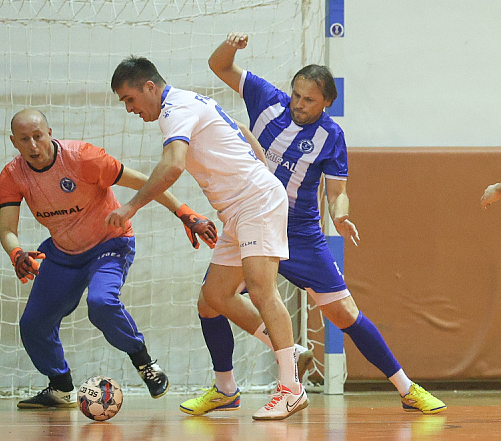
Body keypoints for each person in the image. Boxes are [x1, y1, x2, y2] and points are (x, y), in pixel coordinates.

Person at [187, 32, 446, 415]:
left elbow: (338, 190)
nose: (299, 104)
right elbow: (219, 66)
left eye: (309, 100)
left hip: (300, 234)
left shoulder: (331, 136)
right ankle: (228, 387)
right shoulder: (265, 99)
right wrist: (232, 45)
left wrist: (340, 214)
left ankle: (407, 389)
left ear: (326, 103)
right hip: (253, 220)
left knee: (345, 315)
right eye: (296, 95)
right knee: (210, 302)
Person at [106, 57, 306, 420]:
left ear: (149, 87)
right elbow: (241, 130)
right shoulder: (189, 101)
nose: (130, 108)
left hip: (254, 203)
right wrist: (259, 172)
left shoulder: (174, 109)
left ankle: (291, 388)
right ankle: (236, 384)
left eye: (129, 99)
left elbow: (173, 165)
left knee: (262, 290)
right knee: (213, 298)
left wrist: (131, 207)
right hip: (240, 209)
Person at [0, 108, 216, 408]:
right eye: (25, 139)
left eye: (38, 136)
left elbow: (143, 182)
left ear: (50, 132)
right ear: (14, 142)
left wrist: (184, 213)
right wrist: (16, 252)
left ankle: (144, 362)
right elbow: (7, 228)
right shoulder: (12, 175)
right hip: (62, 253)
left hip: (109, 244)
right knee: (33, 324)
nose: (33, 145)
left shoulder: (83, 158)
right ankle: (61, 388)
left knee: (101, 303)